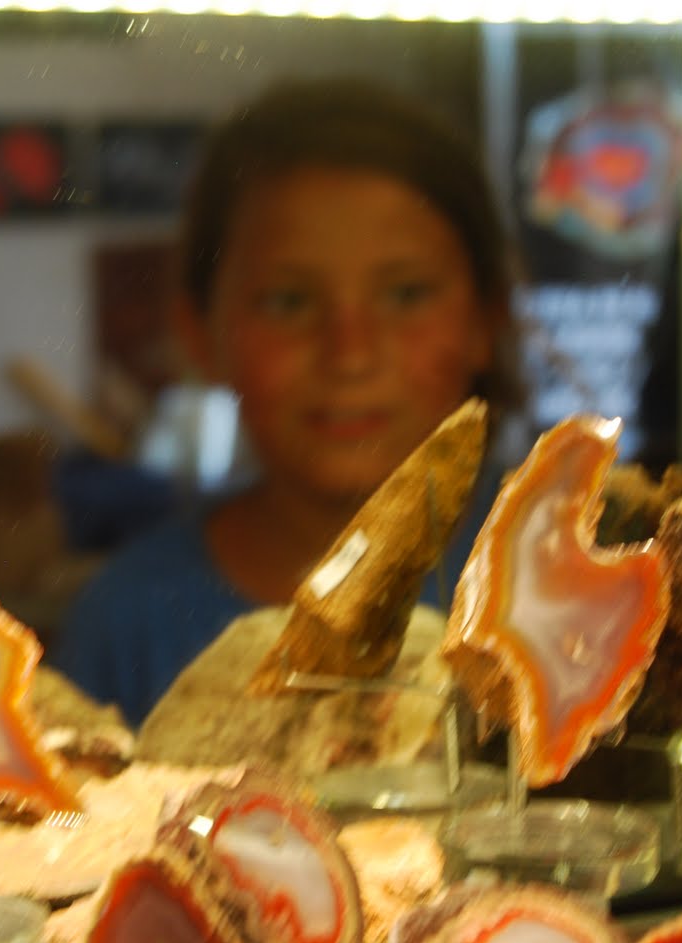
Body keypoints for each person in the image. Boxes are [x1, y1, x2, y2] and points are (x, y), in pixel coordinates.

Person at [53, 78, 526, 727]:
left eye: (407, 294)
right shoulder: (127, 620)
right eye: (289, 302)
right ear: (201, 334)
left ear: (486, 319)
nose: (350, 354)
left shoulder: (561, 577)